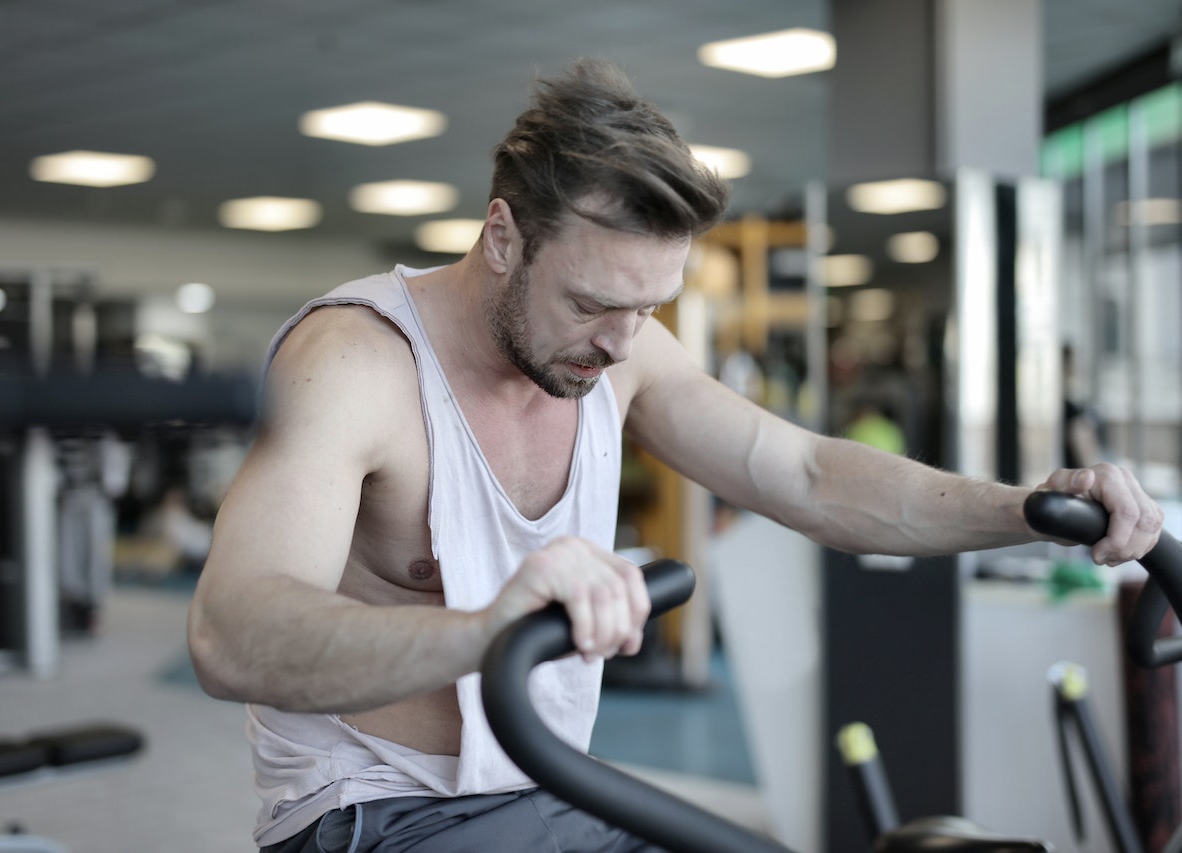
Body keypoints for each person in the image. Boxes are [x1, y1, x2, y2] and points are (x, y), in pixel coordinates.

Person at [187, 59, 1163, 853]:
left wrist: (1027, 510)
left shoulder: (620, 353)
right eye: (590, 303)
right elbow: (232, 631)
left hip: (548, 792)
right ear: (500, 236)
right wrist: (487, 629)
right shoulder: (355, 365)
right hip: (375, 814)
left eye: (645, 309)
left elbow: (806, 475)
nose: (620, 340)